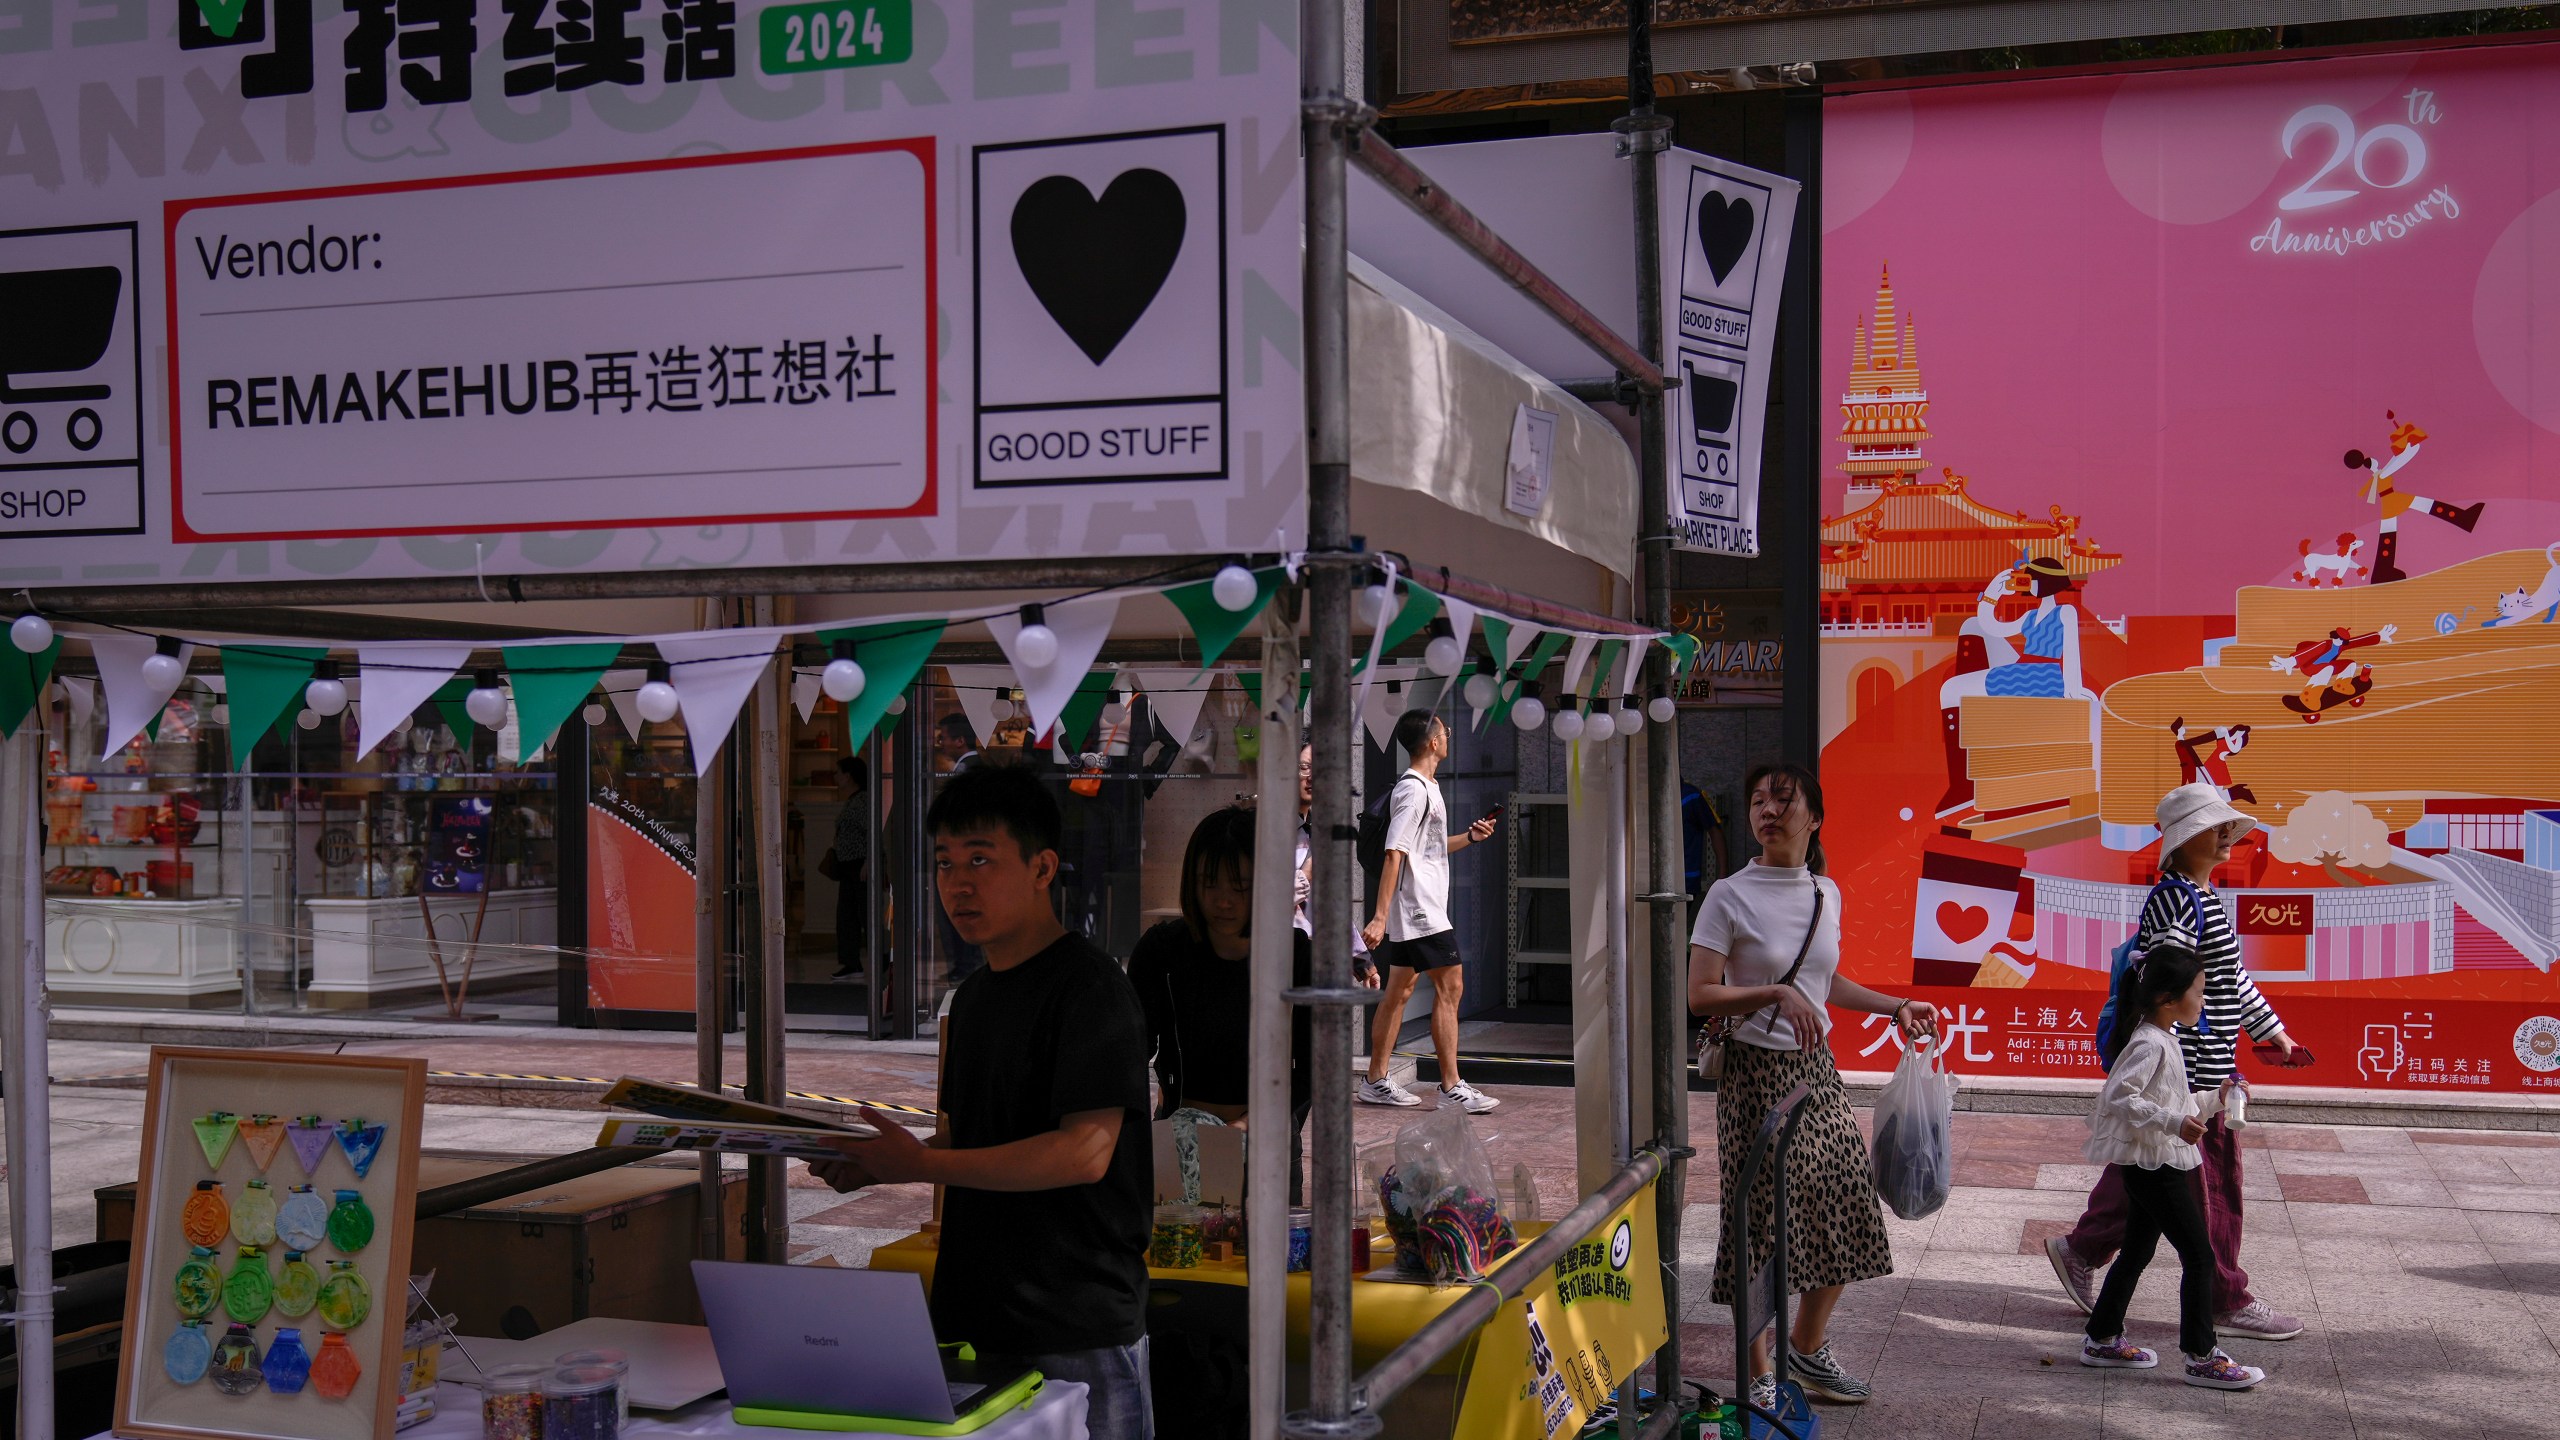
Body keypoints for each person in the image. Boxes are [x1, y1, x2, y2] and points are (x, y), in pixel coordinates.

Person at [808, 765, 1154, 1440]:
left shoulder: (1091, 991)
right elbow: (976, 1143)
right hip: (975, 1322)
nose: (958, 884)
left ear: (1042, 867)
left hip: (1075, 1324)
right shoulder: (971, 1000)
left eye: (981, 860)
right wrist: (882, 1161)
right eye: (943, 864)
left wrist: (920, 1166)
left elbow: (1084, 1152)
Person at [1687, 763, 1937, 1412]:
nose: (1767, 810)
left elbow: (1825, 983)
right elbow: (1700, 993)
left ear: (1814, 819)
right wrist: (1773, 991)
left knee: (1850, 1201)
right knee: (1759, 1226)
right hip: (1753, 1076)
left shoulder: (1825, 893)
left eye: (1783, 800)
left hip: (1815, 1071)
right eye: (1759, 801)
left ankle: (1808, 1347)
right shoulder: (1729, 895)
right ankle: (1758, 1371)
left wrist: (1893, 1006)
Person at [2045, 782, 2304, 1343]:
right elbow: (2166, 981)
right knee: (2205, 1184)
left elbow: (2227, 981)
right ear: (2185, 841)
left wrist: (2271, 1032)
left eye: (2225, 827)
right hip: (2187, 1073)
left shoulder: (2202, 897)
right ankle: (2224, 1298)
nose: (2226, 836)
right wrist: (2173, 1069)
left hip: (2203, 1068)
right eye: (2214, 828)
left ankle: (2083, 1248)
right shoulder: (2175, 898)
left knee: (2151, 1172)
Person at [2076, 941, 2266, 1391]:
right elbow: (2120, 1096)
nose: (2203, 1001)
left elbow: (2178, 1103)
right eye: (2198, 993)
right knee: (2200, 1257)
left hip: (2155, 1161)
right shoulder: (2149, 1043)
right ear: (2167, 998)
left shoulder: (2163, 1038)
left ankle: (2102, 1338)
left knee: (2138, 1252)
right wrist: (2172, 1122)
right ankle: (2201, 1356)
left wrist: (2218, 1098)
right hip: (2155, 1165)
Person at [1130, 805, 1315, 1200]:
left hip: (1268, 1143)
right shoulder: (1162, 951)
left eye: (1240, 887)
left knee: (1267, 1257)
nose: (1223, 901)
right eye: (1209, 883)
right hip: (1180, 1139)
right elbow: (1131, 1048)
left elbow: (1314, 1063)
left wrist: (1254, 1122)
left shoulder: (1296, 957)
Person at [1357, 709, 1498, 1114]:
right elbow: (1394, 853)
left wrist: (1469, 837)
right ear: (1433, 742)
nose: (1449, 735)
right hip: (1420, 909)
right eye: (1446, 730)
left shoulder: (1427, 787)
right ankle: (1451, 1086)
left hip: (1420, 906)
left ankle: (1376, 1080)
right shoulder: (1413, 790)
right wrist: (1380, 916)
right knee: (1450, 987)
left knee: (1399, 992)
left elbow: (1426, 849)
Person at [1294, 744, 1379, 988]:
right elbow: (1257, 902)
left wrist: (1362, 962)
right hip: (1277, 962)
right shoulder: (1262, 830)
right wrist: (1305, 876)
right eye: (1304, 767)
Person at [825, 758, 870, 984]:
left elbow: (873, 832)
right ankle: (851, 962)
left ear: (849, 775)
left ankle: (870, 960)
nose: (835, 777)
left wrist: (869, 862)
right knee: (848, 916)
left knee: (860, 914)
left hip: (858, 866)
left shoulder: (861, 801)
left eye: (838, 772)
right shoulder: (855, 800)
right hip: (851, 867)